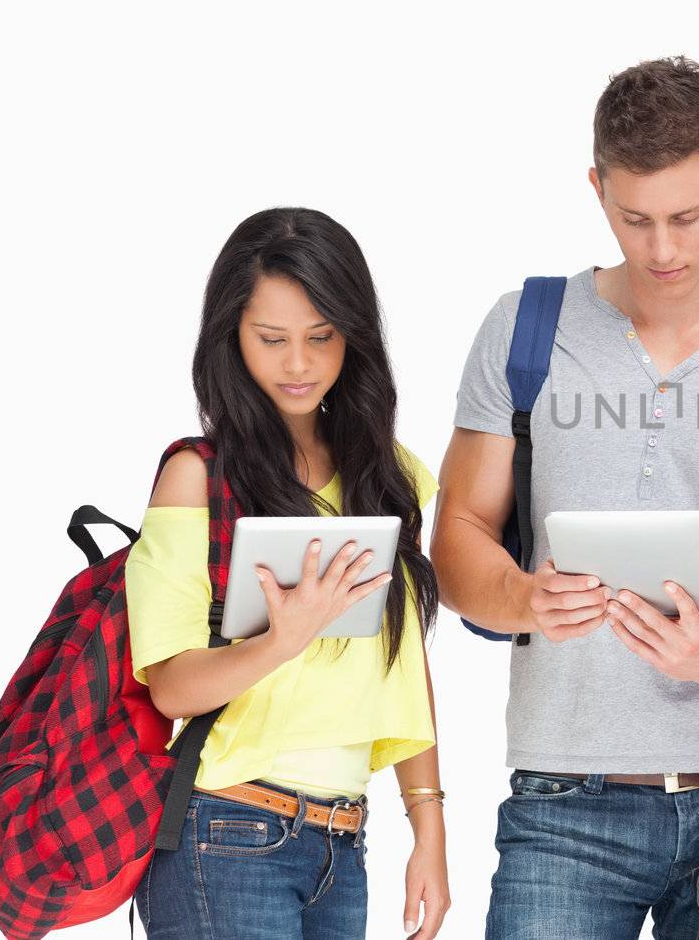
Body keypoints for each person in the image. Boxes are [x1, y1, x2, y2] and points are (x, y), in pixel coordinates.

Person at [433, 56, 699, 940]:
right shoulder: (525, 328)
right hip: (564, 803)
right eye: (635, 218)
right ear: (596, 188)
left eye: (687, 217)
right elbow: (459, 531)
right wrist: (521, 596)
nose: (663, 249)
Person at [128, 208, 450, 939]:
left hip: (342, 842)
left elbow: (405, 665)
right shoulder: (195, 477)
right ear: (231, 336)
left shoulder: (390, 479)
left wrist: (427, 825)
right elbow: (172, 683)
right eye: (271, 339)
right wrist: (281, 638)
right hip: (226, 832)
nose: (298, 364)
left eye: (322, 337)